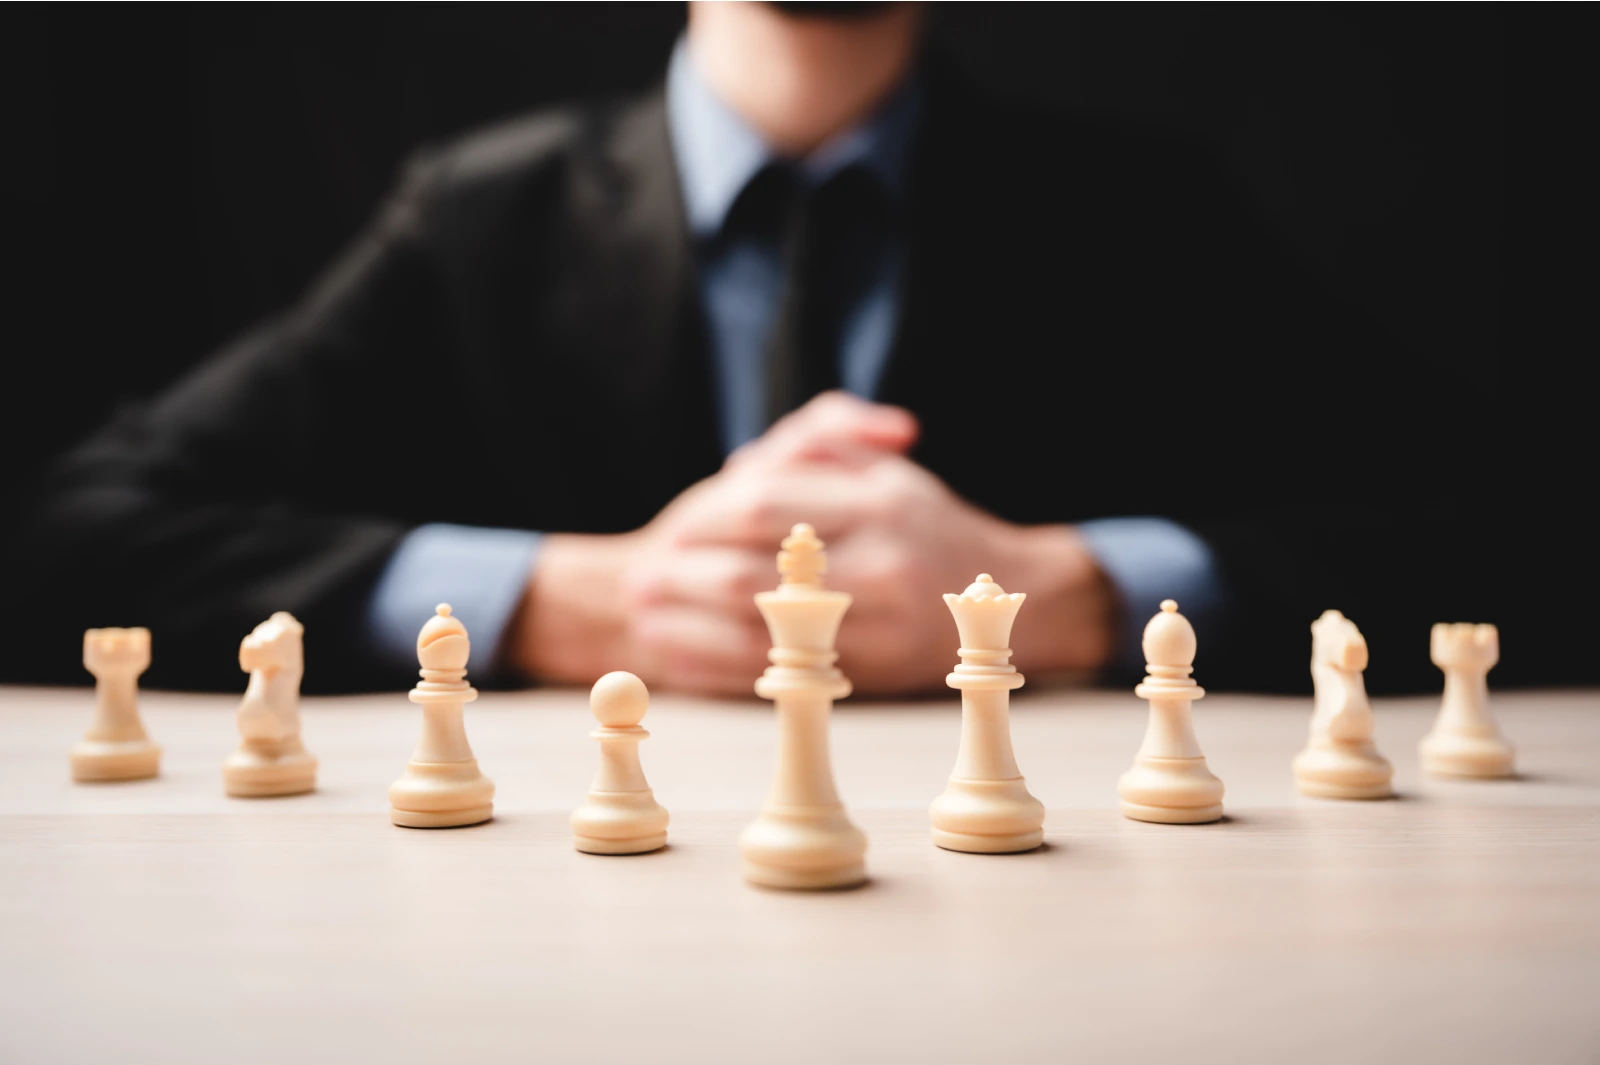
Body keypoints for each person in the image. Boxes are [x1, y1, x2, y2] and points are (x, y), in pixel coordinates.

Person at [14, 2, 1509, 696]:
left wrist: (1067, 591)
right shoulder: (475, 218)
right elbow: (69, 532)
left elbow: (1508, 531)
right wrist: (564, 602)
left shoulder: (1143, 215)